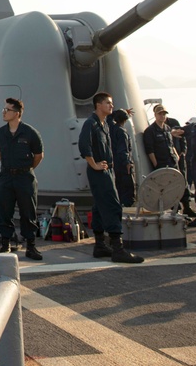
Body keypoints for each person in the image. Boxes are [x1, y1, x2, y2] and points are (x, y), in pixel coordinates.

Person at [79, 92, 143, 264]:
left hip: (107, 171)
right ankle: (118, 248)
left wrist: (125, 113)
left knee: (99, 207)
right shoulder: (90, 124)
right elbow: (84, 146)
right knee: (113, 205)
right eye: (108, 103)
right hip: (100, 172)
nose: (111, 106)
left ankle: (100, 245)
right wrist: (94, 165)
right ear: (98, 105)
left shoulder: (105, 124)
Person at [0, 97, 44, 260]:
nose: (4, 112)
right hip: (6, 176)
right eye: (4, 109)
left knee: (28, 211)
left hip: (25, 176)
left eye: (7, 110)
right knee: (4, 210)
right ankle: (6, 243)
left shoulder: (30, 132)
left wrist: (25, 168)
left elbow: (38, 155)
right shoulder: (0, 133)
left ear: (17, 113)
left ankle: (31, 246)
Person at [144, 105, 192, 215]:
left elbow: (171, 144)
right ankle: (170, 210)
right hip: (161, 162)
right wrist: (155, 163)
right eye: (160, 114)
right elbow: (150, 149)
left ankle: (178, 209)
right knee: (165, 188)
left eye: (164, 114)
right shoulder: (150, 131)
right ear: (155, 115)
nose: (162, 116)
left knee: (176, 185)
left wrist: (176, 155)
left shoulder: (167, 128)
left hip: (172, 161)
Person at [110, 109, 136, 207]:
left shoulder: (111, 128)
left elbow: (109, 117)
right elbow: (123, 149)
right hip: (123, 166)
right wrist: (127, 163)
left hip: (115, 164)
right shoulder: (121, 132)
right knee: (127, 190)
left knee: (119, 189)